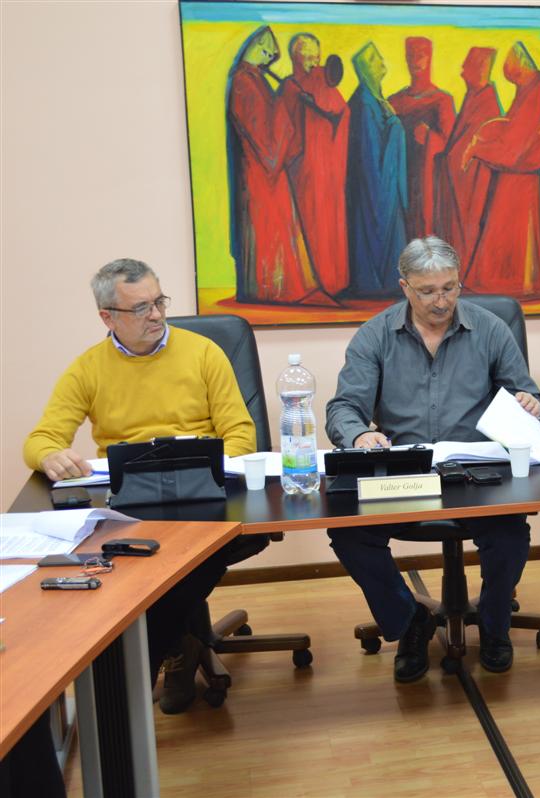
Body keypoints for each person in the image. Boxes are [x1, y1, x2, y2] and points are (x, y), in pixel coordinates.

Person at [23, 259, 257, 714]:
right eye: (140, 308)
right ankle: (171, 648)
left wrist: (207, 464)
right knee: (129, 570)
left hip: (203, 498)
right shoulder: (88, 368)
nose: (156, 315)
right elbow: (41, 439)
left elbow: (241, 435)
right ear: (107, 317)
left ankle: (135, 684)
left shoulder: (203, 353)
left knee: (191, 562)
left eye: (159, 302)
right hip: (132, 505)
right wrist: (50, 455)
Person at [325, 236, 540, 680]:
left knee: (509, 533)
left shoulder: (490, 330)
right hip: (404, 473)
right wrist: (361, 434)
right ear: (404, 287)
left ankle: (496, 625)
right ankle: (409, 622)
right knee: (349, 534)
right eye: (427, 291)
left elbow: (528, 396)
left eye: (450, 288)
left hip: (476, 473)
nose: (441, 301)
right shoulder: (375, 335)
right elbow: (343, 408)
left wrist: (530, 404)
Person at [226, 26, 333, 306]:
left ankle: (283, 288)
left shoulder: (255, 80)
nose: (269, 60)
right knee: (269, 227)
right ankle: (271, 290)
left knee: (281, 225)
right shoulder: (244, 83)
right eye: (267, 54)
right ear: (259, 49)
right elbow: (267, 145)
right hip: (260, 175)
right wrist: (285, 100)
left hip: (270, 174)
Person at [462, 42, 540, 299]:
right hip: (514, 182)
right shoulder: (527, 92)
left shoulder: (531, 95)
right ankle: (511, 283)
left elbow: (513, 149)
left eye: (510, 67)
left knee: (513, 232)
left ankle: (512, 284)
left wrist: (479, 149)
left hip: (517, 184)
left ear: (520, 67)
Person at [279, 33, 350, 297]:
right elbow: (283, 129)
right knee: (310, 226)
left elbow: (341, 113)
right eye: (306, 56)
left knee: (331, 226)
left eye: (316, 56)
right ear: (294, 58)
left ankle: (335, 282)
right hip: (304, 172)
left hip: (329, 172)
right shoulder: (289, 87)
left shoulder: (324, 83)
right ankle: (317, 282)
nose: (313, 62)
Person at [345, 41, 408, 298]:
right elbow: (369, 156)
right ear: (365, 69)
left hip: (384, 181)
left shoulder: (375, 98)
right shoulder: (364, 104)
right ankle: (375, 284)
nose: (382, 61)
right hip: (375, 186)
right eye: (375, 59)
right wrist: (395, 125)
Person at [435, 47, 501, 266]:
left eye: (467, 67)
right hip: (462, 186)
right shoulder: (473, 98)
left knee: (468, 237)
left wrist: (443, 157)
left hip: (472, 190)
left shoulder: (486, 106)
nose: (462, 73)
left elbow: (464, 153)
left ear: (480, 69)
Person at [388, 37, 456, 240]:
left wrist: (430, 138)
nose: (415, 61)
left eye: (421, 55)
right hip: (400, 175)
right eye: (411, 55)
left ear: (430, 58)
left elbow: (452, 145)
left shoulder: (442, 100)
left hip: (429, 181)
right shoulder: (395, 101)